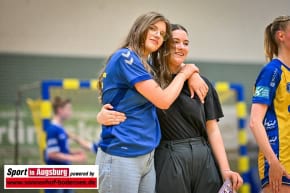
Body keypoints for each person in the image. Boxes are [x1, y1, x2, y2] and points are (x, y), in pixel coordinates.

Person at [97, 24, 243, 193]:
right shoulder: (148, 80)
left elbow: (213, 129)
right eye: (176, 41)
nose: (181, 47)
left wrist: (225, 170)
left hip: (203, 157)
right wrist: (100, 115)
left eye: (186, 43)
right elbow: (121, 99)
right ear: (164, 46)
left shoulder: (201, 83)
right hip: (164, 156)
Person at [96, 12, 203, 193]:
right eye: (152, 29)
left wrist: (192, 73)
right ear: (140, 29)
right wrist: (186, 74)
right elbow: (163, 100)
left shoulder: (146, 64)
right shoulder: (126, 57)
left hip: (146, 156)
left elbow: (174, 64)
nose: (157, 35)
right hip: (121, 153)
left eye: (162, 34)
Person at [249, 15, 290, 193]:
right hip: (280, 160)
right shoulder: (272, 71)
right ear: (281, 36)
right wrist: (273, 161)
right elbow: (255, 122)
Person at [45, 96, 86, 193]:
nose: (70, 112)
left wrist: (73, 152)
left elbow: (61, 150)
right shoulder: (52, 129)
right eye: (68, 109)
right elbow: (52, 154)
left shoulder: (61, 129)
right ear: (60, 110)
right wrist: (75, 158)